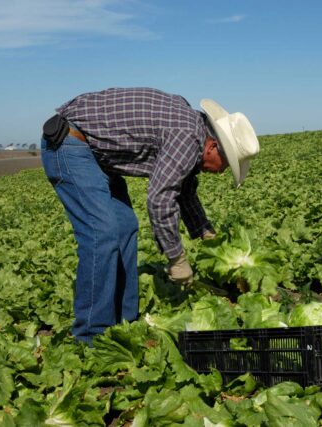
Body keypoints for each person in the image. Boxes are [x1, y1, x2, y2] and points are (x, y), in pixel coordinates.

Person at [40, 87, 260, 345]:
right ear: (213, 147)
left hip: (97, 155)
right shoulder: (187, 136)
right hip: (70, 144)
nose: (221, 172)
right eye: (225, 165)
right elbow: (160, 197)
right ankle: (90, 337)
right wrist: (176, 257)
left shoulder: (193, 130)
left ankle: (125, 323)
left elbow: (185, 191)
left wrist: (206, 234)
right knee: (103, 232)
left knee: (126, 226)